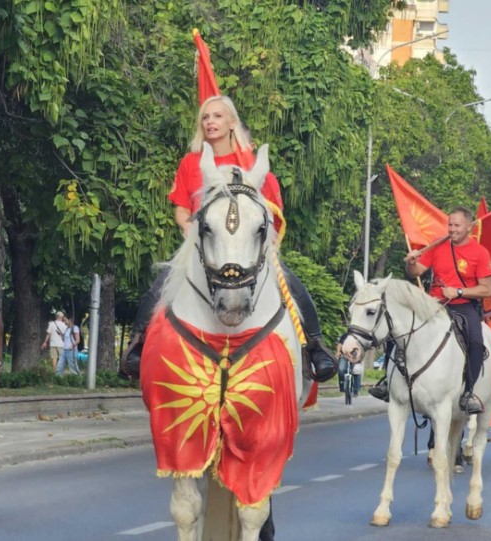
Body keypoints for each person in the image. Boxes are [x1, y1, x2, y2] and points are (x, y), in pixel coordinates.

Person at [122, 95, 336, 382]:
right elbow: (182, 209)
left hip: (248, 249)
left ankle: (315, 346)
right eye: (206, 117)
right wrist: (189, 230)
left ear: (232, 122)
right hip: (203, 245)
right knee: (160, 285)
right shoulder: (191, 163)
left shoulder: (252, 165)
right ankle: (138, 344)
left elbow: (273, 213)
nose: (210, 122)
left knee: (292, 284)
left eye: (218, 116)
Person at [370, 207, 491, 414]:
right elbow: (415, 272)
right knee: (397, 327)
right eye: (450, 225)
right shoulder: (438, 246)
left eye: (456, 225)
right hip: (433, 302)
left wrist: (459, 291)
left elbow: (487, 289)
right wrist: (411, 263)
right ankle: (386, 379)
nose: (451, 229)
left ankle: (469, 392)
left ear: (469, 227)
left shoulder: (480, 253)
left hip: (464, 305)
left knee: (476, 342)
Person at [336, 333, 361, 397]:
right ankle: (342, 387)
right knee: (341, 370)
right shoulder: (345, 335)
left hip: (355, 356)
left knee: (357, 371)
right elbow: (340, 344)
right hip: (344, 355)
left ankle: (356, 390)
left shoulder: (359, 337)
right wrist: (338, 352)